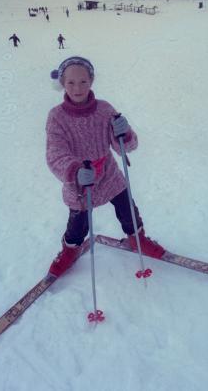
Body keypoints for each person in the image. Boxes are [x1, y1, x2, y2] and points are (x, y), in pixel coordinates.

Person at [46, 56, 164, 277]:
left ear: (91, 80)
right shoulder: (57, 117)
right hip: (80, 181)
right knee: (78, 224)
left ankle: (138, 239)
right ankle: (70, 250)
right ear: (62, 83)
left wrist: (124, 132)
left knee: (127, 208)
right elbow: (55, 153)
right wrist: (75, 172)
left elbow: (125, 147)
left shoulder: (104, 109)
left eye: (83, 81)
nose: (77, 88)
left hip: (109, 175)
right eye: (71, 82)